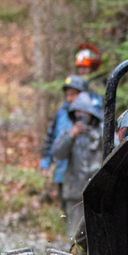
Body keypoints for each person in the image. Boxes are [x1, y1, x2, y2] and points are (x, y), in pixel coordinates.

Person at [52, 92, 102, 238]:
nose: (80, 115)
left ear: (90, 113)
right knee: (74, 235)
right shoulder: (68, 132)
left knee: (96, 235)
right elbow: (58, 153)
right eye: (77, 112)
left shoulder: (101, 131)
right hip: (75, 193)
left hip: (96, 192)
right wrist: (71, 136)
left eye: (83, 112)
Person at [39, 75, 87, 203]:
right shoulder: (61, 112)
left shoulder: (90, 113)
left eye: (73, 94)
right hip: (62, 170)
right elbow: (51, 137)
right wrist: (45, 162)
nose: (70, 98)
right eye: (68, 95)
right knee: (65, 207)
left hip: (82, 173)